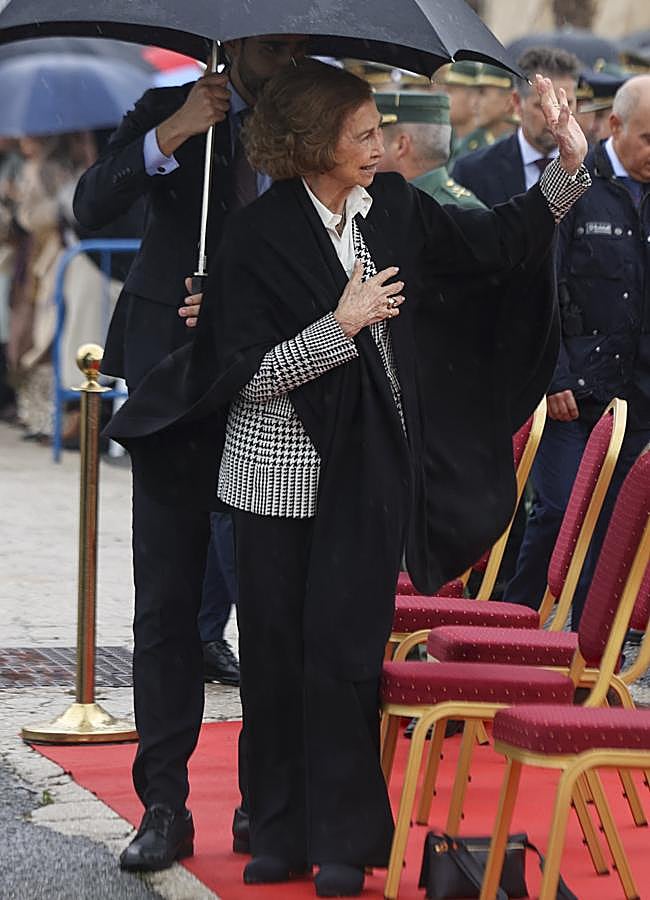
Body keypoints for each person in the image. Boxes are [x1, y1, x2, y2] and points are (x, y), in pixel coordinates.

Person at [105, 58, 589, 896]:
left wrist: (567, 165)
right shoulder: (254, 238)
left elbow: (495, 244)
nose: (379, 144)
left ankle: (344, 839)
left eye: (376, 131)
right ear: (312, 144)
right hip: (271, 479)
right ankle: (279, 828)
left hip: (366, 472)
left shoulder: (395, 209)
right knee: (275, 657)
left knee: (345, 658)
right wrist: (341, 325)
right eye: (362, 133)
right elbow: (246, 375)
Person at [73, 33, 309, 872]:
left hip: (270, 389)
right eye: (276, 44)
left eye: (300, 43)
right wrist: (173, 132)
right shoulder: (170, 109)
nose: (290, 55)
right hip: (171, 388)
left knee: (271, 600)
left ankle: (264, 798)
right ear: (237, 40)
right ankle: (164, 804)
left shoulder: (315, 114)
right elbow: (90, 205)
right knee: (167, 598)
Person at [504, 74, 650, 629]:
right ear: (615, 125)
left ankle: (588, 643)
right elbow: (537, 282)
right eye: (648, 138)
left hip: (636, 398)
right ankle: (512, 623)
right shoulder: (575, 183)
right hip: (572, 397)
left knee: (618, 530)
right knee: (560, 515)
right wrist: (555, 373)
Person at [453, 47, 580, 206]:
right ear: (517, 102)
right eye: (542, 106)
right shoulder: (474, 172)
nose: (557, 117)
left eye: (566, 104)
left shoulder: (595, 171)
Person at [375, 91, 485, 209]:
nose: (370, 148)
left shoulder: (458, 211)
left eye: (375, 138)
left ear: (401, 146)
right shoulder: (388, 197)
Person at [433, 61, 482, 164]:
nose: (444, 97)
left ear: (473, 98)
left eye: (450, 91)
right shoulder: (445, 142)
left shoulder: (483, 148)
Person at [474, 63, 518, 143]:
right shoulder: (472, 144)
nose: (475, 103)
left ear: (508, 100)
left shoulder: (527, 144)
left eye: (482, 92)